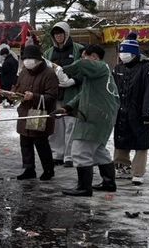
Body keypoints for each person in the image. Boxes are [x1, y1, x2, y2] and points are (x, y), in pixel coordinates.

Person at [55, 45, 120, 196]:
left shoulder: (101, 67)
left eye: (84, 56)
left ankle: (84, 187)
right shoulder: (97, 76)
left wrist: (62, 69)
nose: (82, 60)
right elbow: (83, 94)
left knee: (80, 149)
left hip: (94, 117)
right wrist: (67, 108)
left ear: (94, 57)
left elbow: (82, 65)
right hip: (100, 116)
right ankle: (109, 182)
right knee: (98, 151)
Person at [112, 33, 149, 186]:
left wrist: (148, 113)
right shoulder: (118, 68)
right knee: (121, 141)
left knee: (141, 143)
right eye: (121, 52)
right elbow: (112, 90)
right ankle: (122, 167)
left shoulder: (147, 68)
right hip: (122, 111)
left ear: (135, 54)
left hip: (141, 113)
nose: (122, 55)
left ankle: (138, 172)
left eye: (125, 52)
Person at [13, 44, 59, 181]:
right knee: (25, 141)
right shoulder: (23, 72)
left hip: (39, 112)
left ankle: (48, 169)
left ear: (38, 59)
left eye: (30, 58)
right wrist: (13, 94)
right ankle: (29, 168)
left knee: (40, 142)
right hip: (25, 111)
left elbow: (52, 96)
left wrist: (34, 96)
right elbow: (18, 88)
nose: (27, 61)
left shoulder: (49, 73)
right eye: (25, 58)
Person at [44, 22, 84, 168]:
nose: (58, 36)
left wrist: (74, 80)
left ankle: (70, 155)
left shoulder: (78, 49)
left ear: (67, 34)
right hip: (55, 95)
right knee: (56, 126)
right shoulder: (48, 53)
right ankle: (57, 154)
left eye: (61, 33)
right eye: (55, 34)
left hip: (72, 94)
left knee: (71, 125)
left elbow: (85, 68)